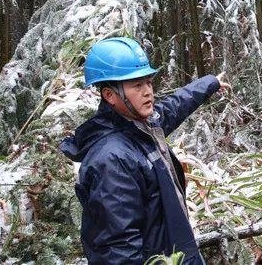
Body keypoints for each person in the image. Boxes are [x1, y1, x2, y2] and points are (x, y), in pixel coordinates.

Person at [60, 37, 228, 264]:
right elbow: (119, 249)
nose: (148, 92)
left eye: (148, 82)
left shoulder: (141, 126)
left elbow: (174, 106)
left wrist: (209, 84)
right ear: (109, 95)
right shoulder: (111, 160)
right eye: (137, 86)